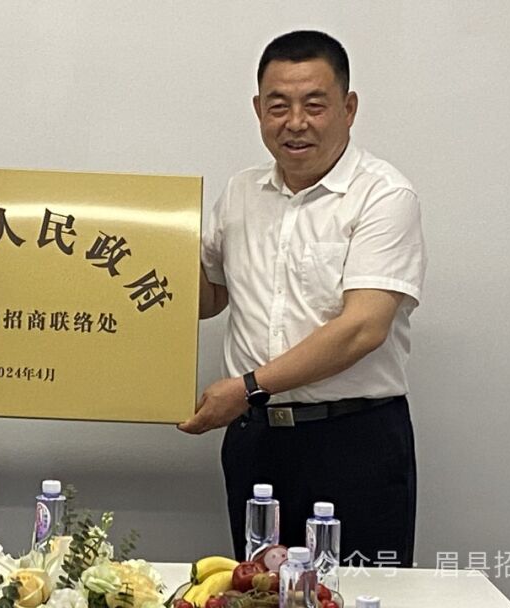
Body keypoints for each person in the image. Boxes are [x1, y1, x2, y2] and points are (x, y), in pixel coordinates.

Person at [179, 31, 426, 567]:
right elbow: (209, 296)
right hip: (256, 443)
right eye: (278, 106)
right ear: (258, 111)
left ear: (348, 108)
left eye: (314, 105)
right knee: (254, 590)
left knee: (357, 593)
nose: (295, 122)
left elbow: (362, 328)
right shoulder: (240, 193)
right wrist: (149, 246)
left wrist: (248, 388)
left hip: (353, 441)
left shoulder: (383, 195)